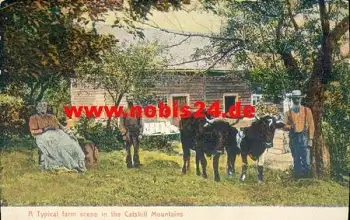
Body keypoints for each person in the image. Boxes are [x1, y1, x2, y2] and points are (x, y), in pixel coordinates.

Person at [29, 101, 86, 173]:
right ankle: (70, 166)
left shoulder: (52, 117)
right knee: (59, 147)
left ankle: (78, 164)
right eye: (40, 105)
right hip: (44, 136)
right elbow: (33, 132)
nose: (43, 107)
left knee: (71, 144)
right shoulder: (33, 118)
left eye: (44, 105)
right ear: (37, 108)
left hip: (58, 134)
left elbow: (61, 127)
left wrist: (69, 132)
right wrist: (45, 129)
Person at [283, 90, 315, 178]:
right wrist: (290, 127)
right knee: (296, 160)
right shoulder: (288, 113)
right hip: (294, 139)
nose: (297, 99)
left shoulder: (307, 110)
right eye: (295, 98)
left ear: (301, 99)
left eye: (298, 98)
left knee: (307, 162)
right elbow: (284, 126)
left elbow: (311, 125)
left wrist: (310, 139)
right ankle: (298, 181)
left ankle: (307, 181)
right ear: (292, 99)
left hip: (305, 138)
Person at [119, 99, 143, 168]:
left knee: (136, 148)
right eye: (129, 101)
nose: (131, 103)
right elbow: (121, 123)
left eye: (132, 101)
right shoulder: (124, 110)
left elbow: (140, 122)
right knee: (128, 149)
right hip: (128, 131)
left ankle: (136, 163)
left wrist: (140, 133)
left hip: (136, 131)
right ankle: (129, 164)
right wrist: (123, 133)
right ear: (127, 102)